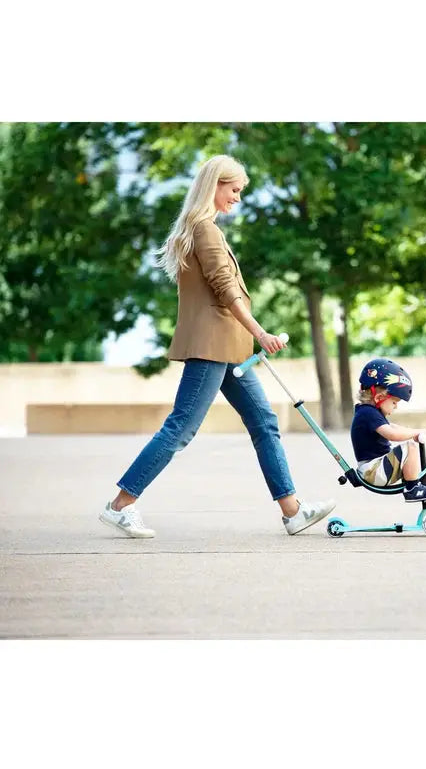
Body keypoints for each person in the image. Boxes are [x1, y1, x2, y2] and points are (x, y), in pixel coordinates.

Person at [99, 154, 335, 538]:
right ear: (215, 185)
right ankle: (120, 506)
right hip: (211, 347)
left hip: (228, 349)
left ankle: (292, 512)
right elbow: (226, 290)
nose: (238, 198)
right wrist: (260, 333)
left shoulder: (204, 229)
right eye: (234, 189)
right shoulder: (204, 230)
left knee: (264, 423)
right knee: (181, 428)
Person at [350, 358, 426, 502]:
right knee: (410, 447)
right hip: (372, 471)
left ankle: (414, 482)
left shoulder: (369, 412)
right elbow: (392, 434)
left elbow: (393, 427)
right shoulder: (368, 413)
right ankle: (412, 488)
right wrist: (415, 433)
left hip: (375, 468)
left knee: (409, 448)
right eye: (394, 402)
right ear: (379, 397)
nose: (396, 406)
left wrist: (415, 431)